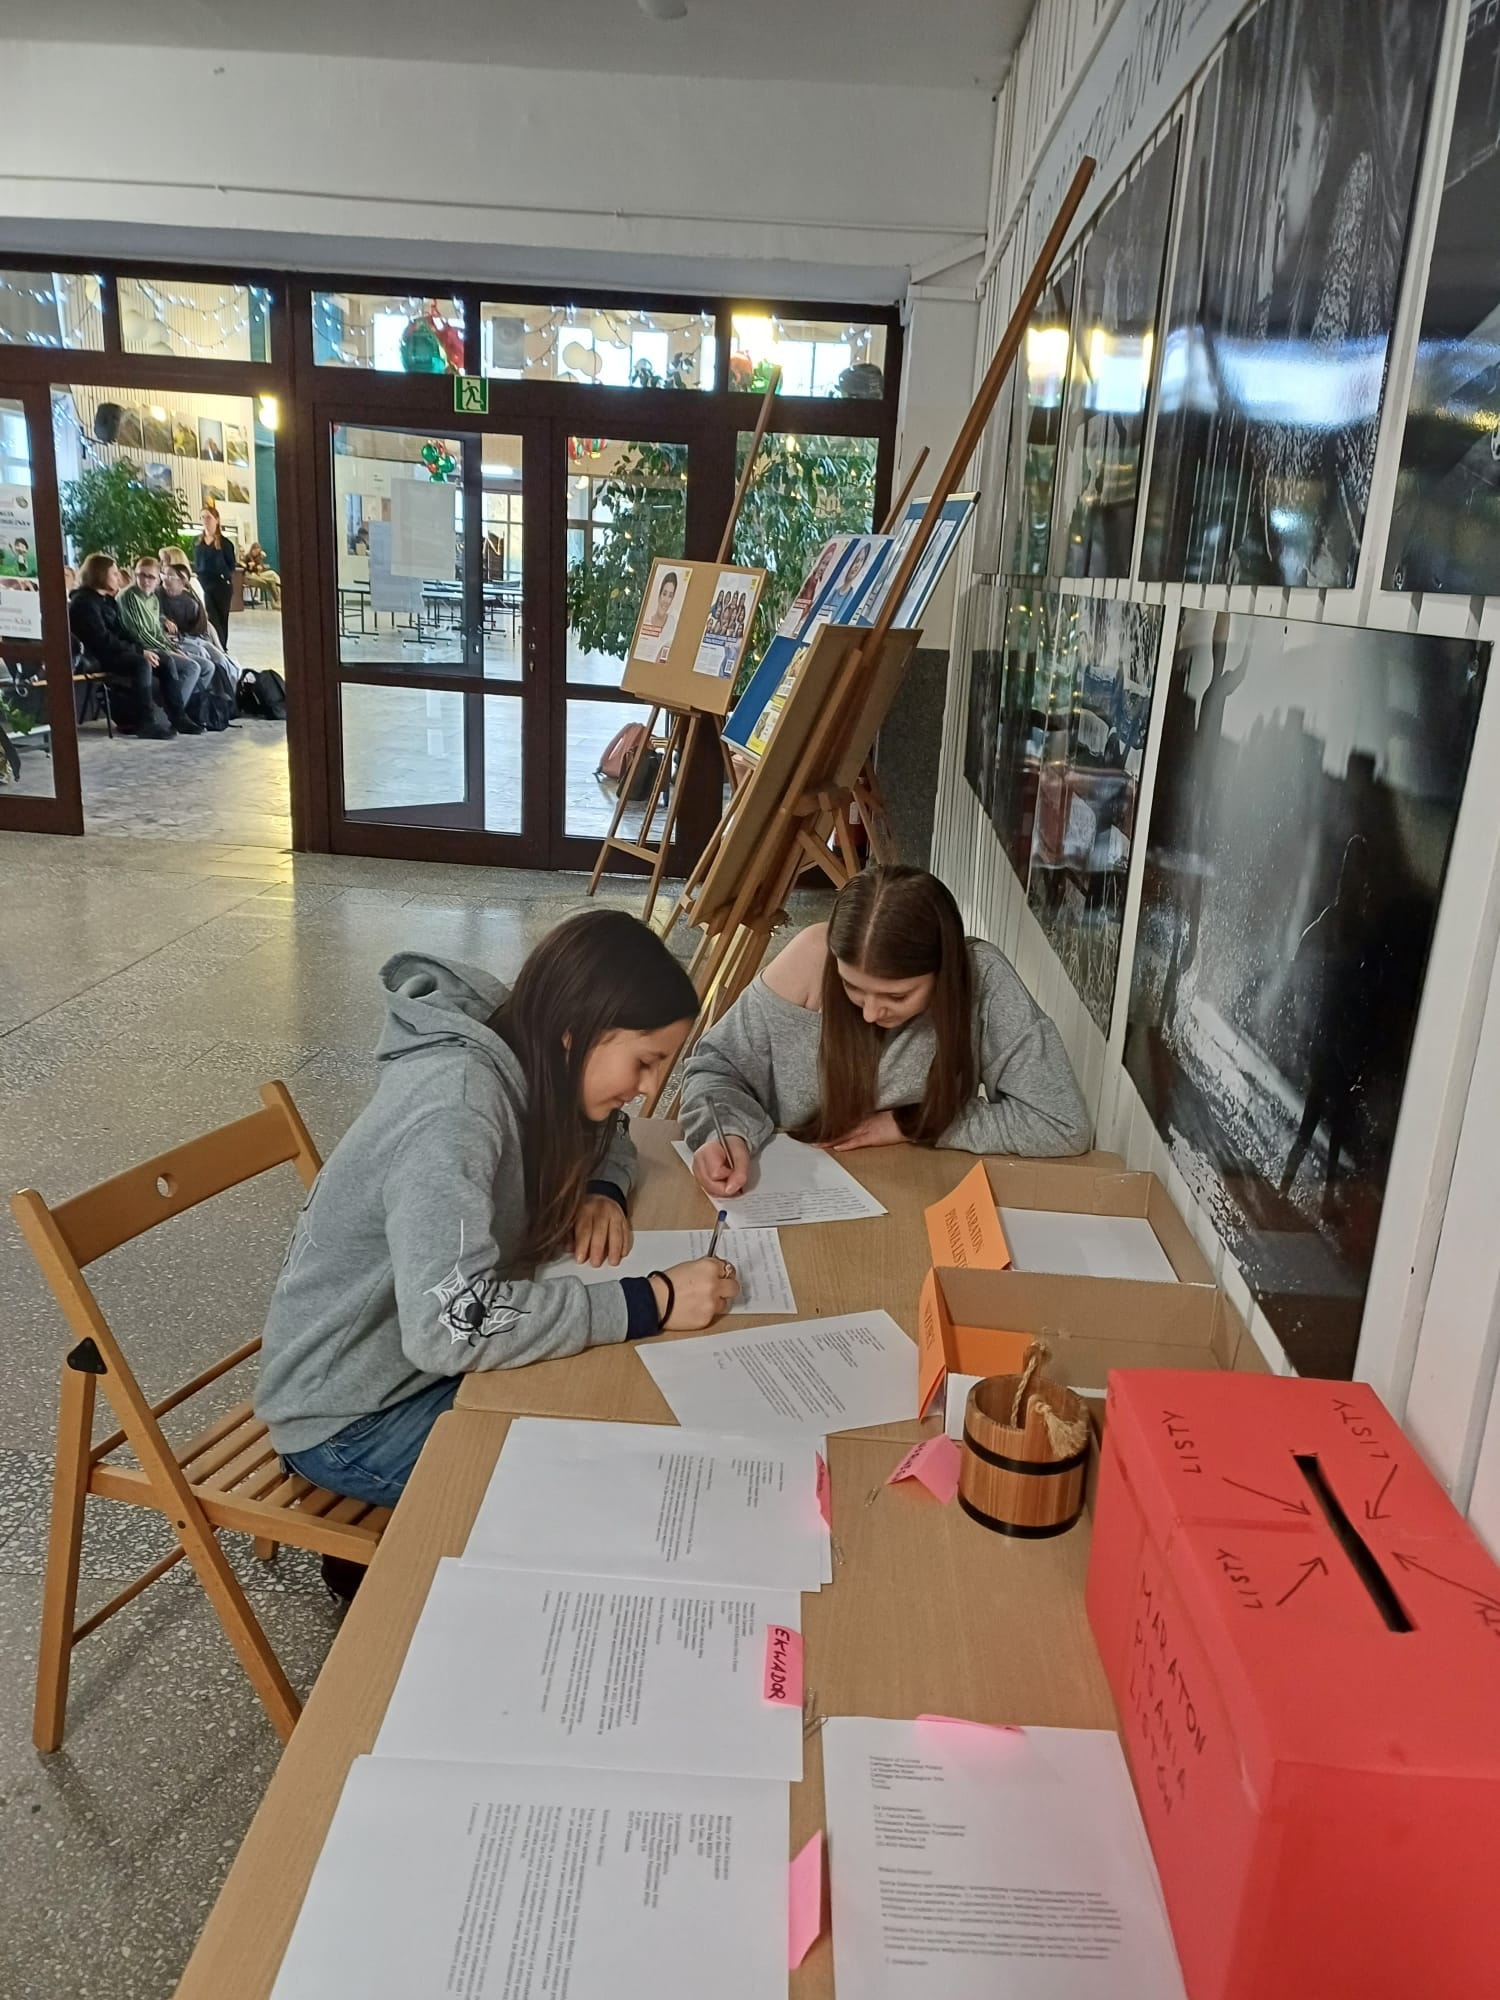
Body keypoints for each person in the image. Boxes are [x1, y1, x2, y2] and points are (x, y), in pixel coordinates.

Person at [255, 910, 740, 1587]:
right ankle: (388, 1589)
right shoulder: (454, 1111)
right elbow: (451, 1326)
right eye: (646, 1062)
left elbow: (614, 1133)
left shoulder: (533, 1051)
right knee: (609, 1469)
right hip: (350, 1416)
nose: (650, 1089)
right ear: (575, 1032)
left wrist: (600, 1187)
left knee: (615, 1394)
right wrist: (649, 1299)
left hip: (416, 1366)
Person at [682, 866, 1091, 1197]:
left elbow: (1060, 1123)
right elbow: (716, 1068)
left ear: (943, 972)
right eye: (852, 987)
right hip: (786, 1189)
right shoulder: (810, 959)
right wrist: (724, 1131)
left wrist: (912, 1124)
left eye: (897, 995)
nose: (871, 1013)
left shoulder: (981, 976)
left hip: (922, 1193)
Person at [67, 553, 176, 738]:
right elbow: (102, 640)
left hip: (114, 651)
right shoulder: (83, 603)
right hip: (97, 657)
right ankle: (146, 722)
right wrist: (139, 653)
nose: (118, 577)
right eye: (114, 573)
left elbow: (122, 631)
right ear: (100, 574)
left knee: (164, 661)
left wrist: (142, 649)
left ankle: (177, 717)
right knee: (141, 663)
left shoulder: (106, 600)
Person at [117, 555, 207, 730]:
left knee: (206, 666)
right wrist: (168, 650)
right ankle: (174, 717)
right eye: (141, 575)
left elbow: (158, 632)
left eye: (151, 577)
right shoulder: (130, 596)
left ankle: (187, 712)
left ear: (158, 579)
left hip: (159, 645)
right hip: (144, 648)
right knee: (192, 667)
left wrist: (173, 648)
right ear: (135, 575)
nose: (145, 580)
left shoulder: (153, 599)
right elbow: (139, 634)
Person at [193, 503, 236, 646]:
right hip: (204, 584)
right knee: (210, 617)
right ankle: (214, 644)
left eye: (209, 517)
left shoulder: (225, 543)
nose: (205, 520)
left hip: (221, 585)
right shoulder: (197, 542)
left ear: (216, 520)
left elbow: (231, 566)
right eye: (203, 517)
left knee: (222, 617)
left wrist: (225, 574)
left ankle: (222, 646)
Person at [243, 541, 281, 607]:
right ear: (252, 550)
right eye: (255, 551)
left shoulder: (258, 557)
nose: (256, 553)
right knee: (271, 582)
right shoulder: (247, 557)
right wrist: (250, 567)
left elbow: (260, 568)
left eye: (258, 552)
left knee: (273, 577)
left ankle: (278, 599)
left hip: (258, 575)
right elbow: (246, 570)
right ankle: (276, 601)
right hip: (250, 577)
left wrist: (261, 564)